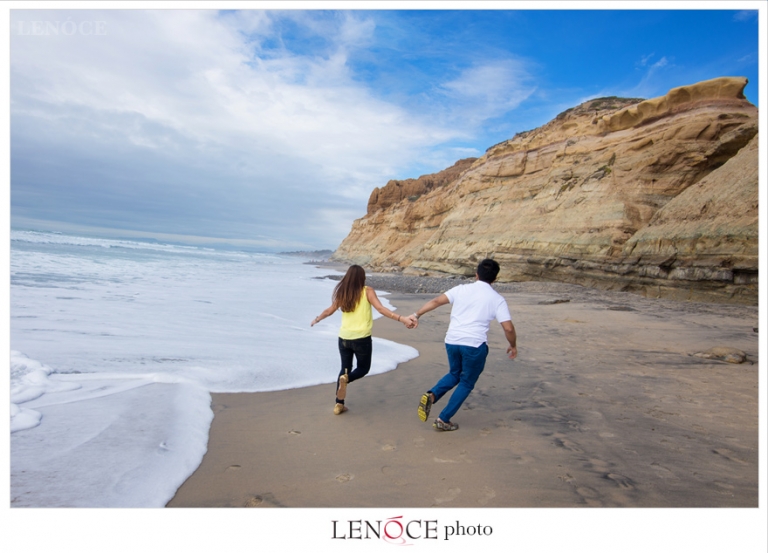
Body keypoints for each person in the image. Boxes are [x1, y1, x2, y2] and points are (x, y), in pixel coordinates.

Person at [407, 258, 517, 431]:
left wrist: (416, 314)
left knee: (455, 373)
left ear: (476, 274)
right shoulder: (497, 299)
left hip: (452, 341)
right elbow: (508, 328)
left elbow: (436, 301)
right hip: (474, 344)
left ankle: (432, 395)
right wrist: (513, 345)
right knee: (466, 382)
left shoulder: (461, 290)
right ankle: (443, 419)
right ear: (495, 279)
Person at [311, 265, 415, 415]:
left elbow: (329, 310)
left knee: (344, 368)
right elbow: (380, 309)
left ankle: (339, 404)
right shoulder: (367, 291)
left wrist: (317, 319)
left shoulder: (343, 293)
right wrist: (402, 318)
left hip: (344, 338)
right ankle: (346, 380)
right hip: (361, 339)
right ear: (362, 277)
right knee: (363, 369)